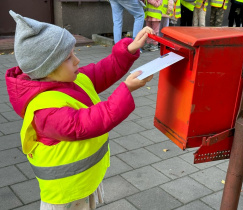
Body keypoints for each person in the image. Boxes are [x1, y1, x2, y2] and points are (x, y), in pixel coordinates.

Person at [6, 11, 154, 210]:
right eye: (69, 57)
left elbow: (103, 70)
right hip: (65, 194)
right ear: (47, 69)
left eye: (74, 53)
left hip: (82, 182)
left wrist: (128, 49)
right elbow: (84, 124)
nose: (77, 60)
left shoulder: (71, 78)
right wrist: (125, 90)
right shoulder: (44, 110)